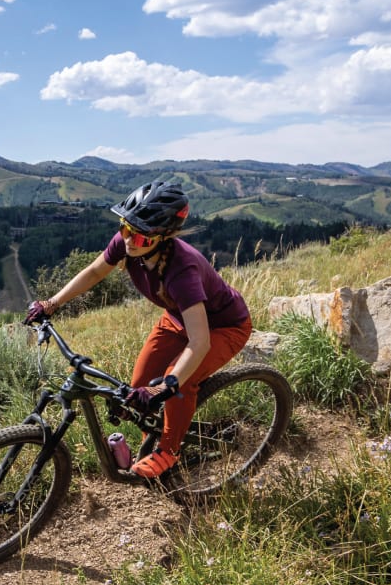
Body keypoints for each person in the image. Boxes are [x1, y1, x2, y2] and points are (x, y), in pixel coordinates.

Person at [23, 179, 252, 480]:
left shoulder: (182, 270)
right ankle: (154, 434)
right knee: (136, 387)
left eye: (141, 237)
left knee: (177, 380)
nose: (129, 240)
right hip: (177, 318)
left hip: (223, 326)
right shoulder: (128, 243)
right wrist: (51, 304)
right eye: (125, 228)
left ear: (163, 236)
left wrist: (165, 386)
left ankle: (169, 450)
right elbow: (94, 272)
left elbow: (200, 341)